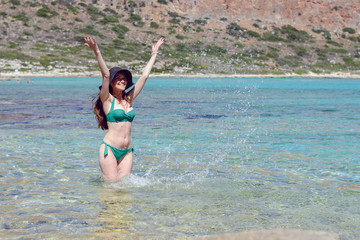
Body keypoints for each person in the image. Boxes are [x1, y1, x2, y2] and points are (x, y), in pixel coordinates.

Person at [84, 36, 164, 183]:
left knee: (124, 190)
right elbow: (106, 74)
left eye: (124, 78)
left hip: (127, 151)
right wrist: (96, 51)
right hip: (110, 149)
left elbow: (144, 76)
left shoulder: (128, 99)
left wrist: (154, 53)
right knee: (111, 189)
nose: (123, 80)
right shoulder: (107, 100)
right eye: (118, 78)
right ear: (112, 82)